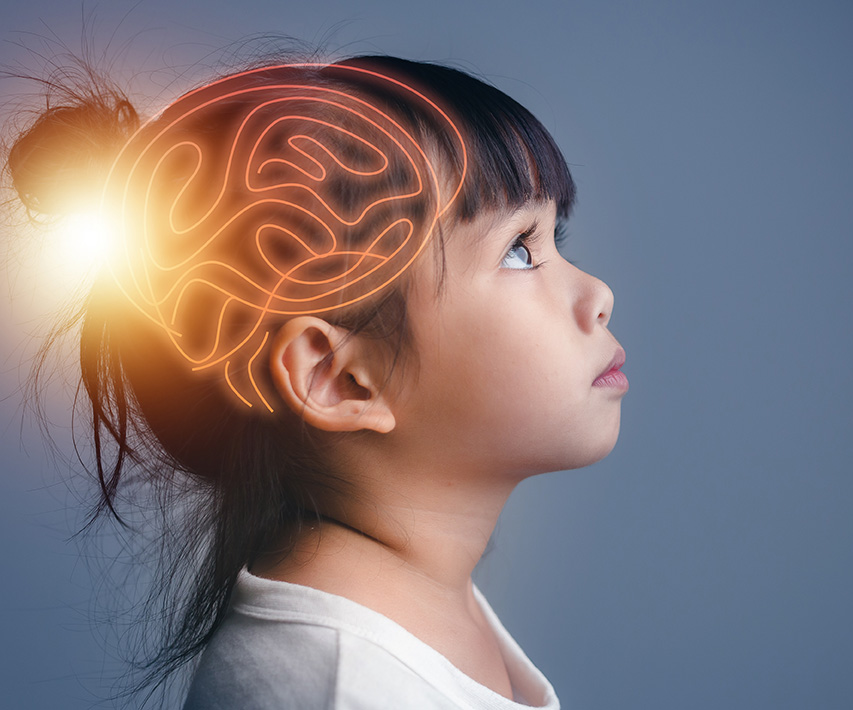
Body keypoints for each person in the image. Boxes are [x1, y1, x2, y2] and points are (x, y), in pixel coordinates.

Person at [4, 51, 628, 709]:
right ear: (339, 379)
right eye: (519, 250)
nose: (599, 294)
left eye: (555, 234)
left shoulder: (417, 604)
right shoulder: (341, 689)